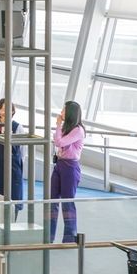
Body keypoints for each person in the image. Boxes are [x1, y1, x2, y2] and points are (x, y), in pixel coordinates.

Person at [51, 101, 85, 243]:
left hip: (70, 167)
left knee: (67, 202)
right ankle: (49, 236)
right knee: (51, 200)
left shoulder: (78, 130)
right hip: (59, 164)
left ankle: (69, 238)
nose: (61, 112)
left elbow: (59, 142)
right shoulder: (67, 128)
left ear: (70, 112)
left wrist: (58, 125)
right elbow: (57, 140)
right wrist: (60, 127)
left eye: (64, 110)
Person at [0, 99, 25, 215]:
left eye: (7, 109)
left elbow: (22, 151)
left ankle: (13, 219)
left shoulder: (17, 127)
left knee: (14, 193)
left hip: (13, 165)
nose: (4, 112)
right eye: (2, 109)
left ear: (12, 111)